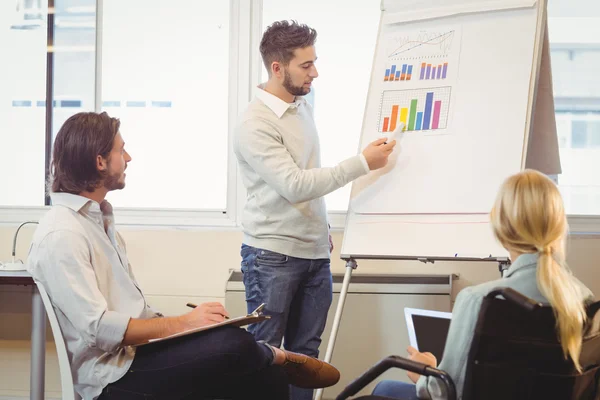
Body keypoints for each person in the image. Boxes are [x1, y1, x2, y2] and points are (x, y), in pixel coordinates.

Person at [26, 112, 340, 400]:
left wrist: (195, 327)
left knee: (256, 365)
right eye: (122, 151)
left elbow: (137, 316)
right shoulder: (62, 234)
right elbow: (101, 330)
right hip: (112, 377)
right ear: (99, 161)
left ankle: (269, 357)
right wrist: (183, 324)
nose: (129, 157)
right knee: (238, 347)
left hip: (136, 357)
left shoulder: (99, 222)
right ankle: (276, 354)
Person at [233, 20, 397, 400]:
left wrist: (321, 229)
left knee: (306, 360)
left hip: (313, 254)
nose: (315, 72)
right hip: (271, 256)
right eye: (305, 65)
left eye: (314, 62)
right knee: (267, 355)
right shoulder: (254, 123)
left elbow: (308, 178)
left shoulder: (302, 105)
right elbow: (295, 185)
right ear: (278, 68)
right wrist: (362, 162)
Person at [371, 169, 593, 400]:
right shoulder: (584, 300)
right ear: (558, 225)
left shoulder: (481, 300)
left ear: (501, 227)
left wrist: (425, 372)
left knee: (384, 388)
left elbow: (446, 391)